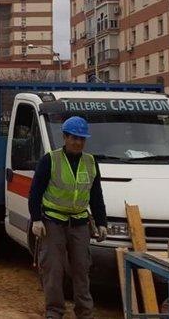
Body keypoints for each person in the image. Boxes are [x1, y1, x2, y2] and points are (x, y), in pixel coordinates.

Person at [28, 116, 107, 319]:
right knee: (53, 270)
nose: (78, 142)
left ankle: (84, 312)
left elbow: (96, 194)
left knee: (82, 270)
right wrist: (36, 219)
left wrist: (101, 222)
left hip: (80, 223)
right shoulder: (50, 160)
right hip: (53, 222)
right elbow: (35, 191)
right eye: (74, 138)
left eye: (82, 139)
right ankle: (54, 312)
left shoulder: (90, 162)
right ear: (65, 137)